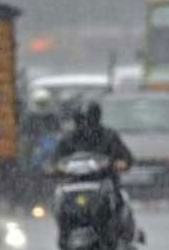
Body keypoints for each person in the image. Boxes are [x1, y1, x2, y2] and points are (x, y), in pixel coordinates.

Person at [54, 101, 136, 239]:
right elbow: (55, 159)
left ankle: (122, 231)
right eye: (82, 120)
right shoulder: (68, 139)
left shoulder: (109, 136)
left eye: (89, 119)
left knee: (118, 199)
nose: (85, 125)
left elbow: (126, 158)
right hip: (74, 182)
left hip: (104, 179)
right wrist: (53, 167)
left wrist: (119, 163)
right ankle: (64, 232)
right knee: (59, 197)